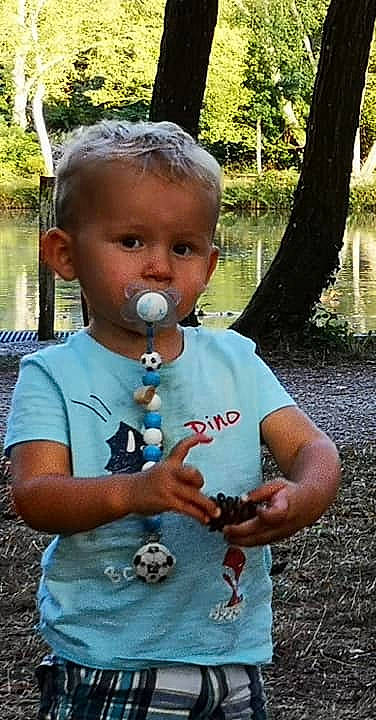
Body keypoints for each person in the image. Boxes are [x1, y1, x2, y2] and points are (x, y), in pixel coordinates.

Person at [3, 120, 341, 719]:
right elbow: (36, 496)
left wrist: (305, 496)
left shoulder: (235, 359)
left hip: (231, 656)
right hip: (109, 664)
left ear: (208, 266)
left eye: (182, 248)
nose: (160, 267)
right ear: (65, 255)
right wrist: (133, 492)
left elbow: (312, 449)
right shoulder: (53, 375)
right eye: (132, 241)